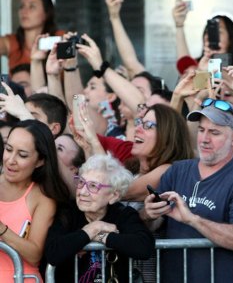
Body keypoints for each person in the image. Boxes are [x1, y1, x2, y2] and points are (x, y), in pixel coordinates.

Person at [143, 99, 233, 282]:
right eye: (201, 130)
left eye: (214, 132)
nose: (204, 139)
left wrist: (192, 219)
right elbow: (152, 225)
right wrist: (149, 214)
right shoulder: (178, 170)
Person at [44, 154, 155, 283]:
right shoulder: (68, 212)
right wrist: (93, 229)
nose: (83, 192)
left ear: (114, 195)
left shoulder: (123, 214)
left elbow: (144, 247)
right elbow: (52, 252)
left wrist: (101, 237)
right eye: (81, 182)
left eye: (93, 186)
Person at [0, 119, 70, 282]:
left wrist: (2, 229)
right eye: (8, 149)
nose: (11, 160)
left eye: (22, 155)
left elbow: (34, 254)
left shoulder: (42, 197)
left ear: (40, 161)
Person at [0, 0, 63, 71]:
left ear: (46, 13)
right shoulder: (12, 42)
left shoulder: (59, 38)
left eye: (32, 6)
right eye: (22, 6)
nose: (24, 11)